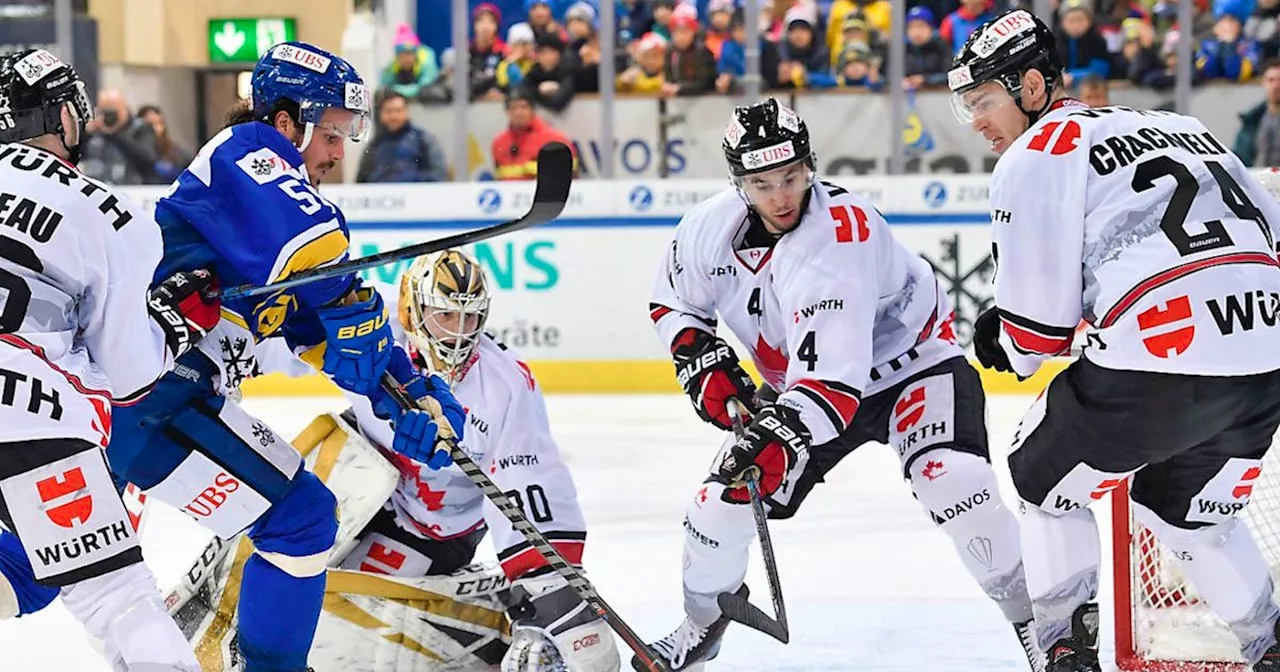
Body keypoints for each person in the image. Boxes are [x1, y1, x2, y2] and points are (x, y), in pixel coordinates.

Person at [0, 42, 465, 672]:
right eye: (332, 131)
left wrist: (408, 394)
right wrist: (359, 311)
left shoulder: (269, 217)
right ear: (285, 119)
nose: (338, 151)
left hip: (131, 405)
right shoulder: (243, 151)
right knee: (299, 519)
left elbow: (326, 333)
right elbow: (317, 254)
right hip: (151, 395)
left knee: (40, 565)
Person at [642, 98, 1039, 670]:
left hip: (911, 366)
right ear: (738, 183)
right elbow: (672, 300)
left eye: (791, 176)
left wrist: (777, 436)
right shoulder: (707, 230)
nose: (781, 196)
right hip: (808, 391)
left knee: (951, 480)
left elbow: (835, 383)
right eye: (761, 183)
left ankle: (1041, 626)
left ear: (810, 166)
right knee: (718, 502)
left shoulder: (838, 235)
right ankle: (701, 626)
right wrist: (698, 356)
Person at [948, 9, 1280, 671]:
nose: (977, 121)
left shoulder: (1035, 156)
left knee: (1040, 480)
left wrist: (1005, 341)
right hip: (1267, 362)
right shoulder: (1186, 128)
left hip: (1159, 364)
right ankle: (1270, 645)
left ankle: (1065, 652)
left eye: (983, 100)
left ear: (1033, 88)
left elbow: (1034, 340)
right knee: (1190, 515)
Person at [0, 48, 220, 671]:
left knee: (23, 573)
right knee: (119, 602)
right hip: (30, 420)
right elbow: (132, 378)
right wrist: (174, 323)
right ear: (61, 116)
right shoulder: (107, 211)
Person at [336, 249, 619, 671]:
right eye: (446, 315)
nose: (459, 332)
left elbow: (528, 482)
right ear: (412, 310)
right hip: (353, 481)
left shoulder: (505, 383)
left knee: (345, 622)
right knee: (278, 560)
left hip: (426, 528)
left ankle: (481, 607)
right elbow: (289, 335)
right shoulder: (374, 329)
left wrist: (551, 594)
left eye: (471, 318)